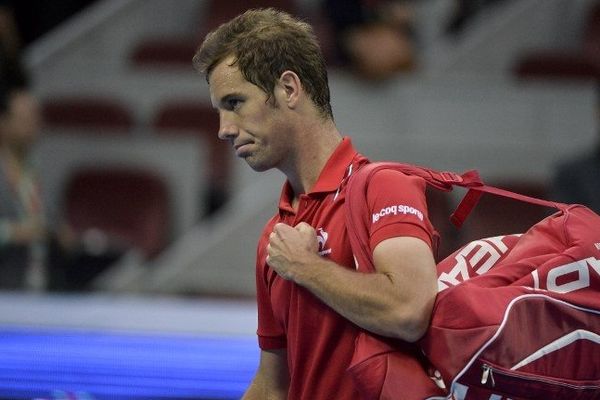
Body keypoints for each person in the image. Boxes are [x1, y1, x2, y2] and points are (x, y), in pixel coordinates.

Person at [193, 8, 438, 399]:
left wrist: (307, 267)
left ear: (289, 89)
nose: (224, 129)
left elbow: (410, 311)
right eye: (220, 111)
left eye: (235, 102)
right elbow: (273, 387)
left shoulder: (385, 187)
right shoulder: (276, 238)